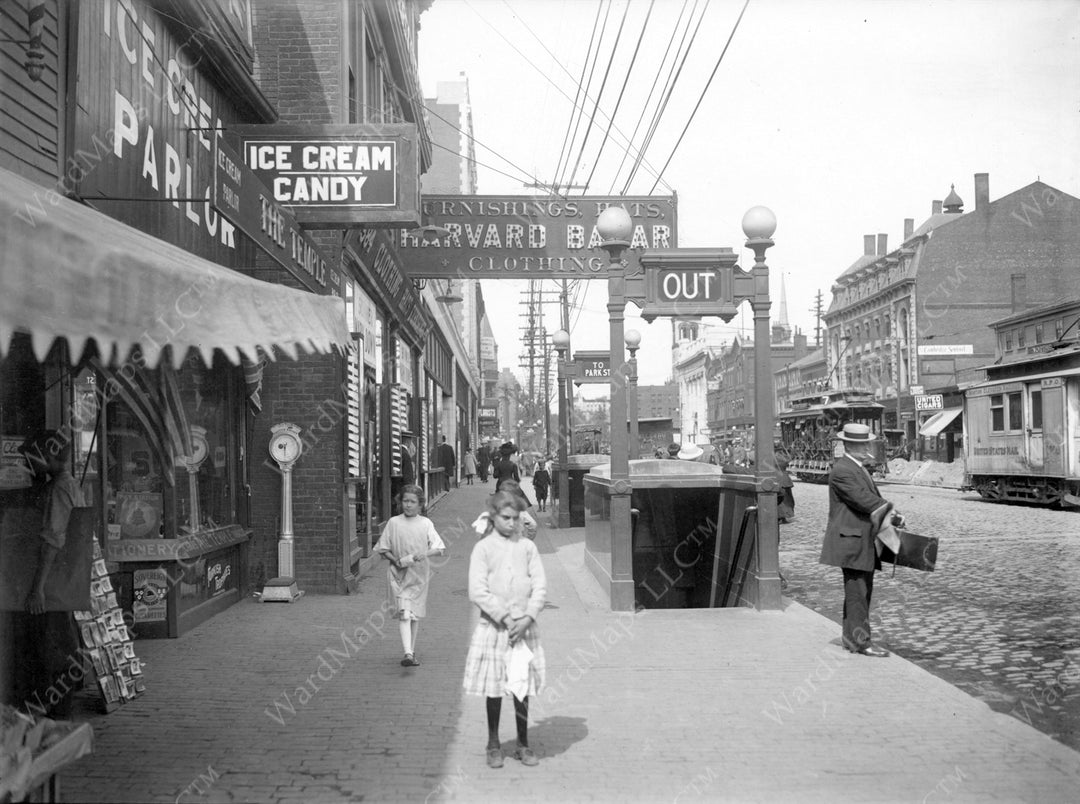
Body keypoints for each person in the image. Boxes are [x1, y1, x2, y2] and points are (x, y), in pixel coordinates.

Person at [463, 490, 547, 769]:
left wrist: (527, 617)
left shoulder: (528, 548)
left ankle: (523, 743)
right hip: (495, 628)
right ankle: (493, 743)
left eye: (516, 518)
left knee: (521, 687)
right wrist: (505, 618)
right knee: (495, 687)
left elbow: (540, 586)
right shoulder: (483, 549)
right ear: (494, 517)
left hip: (524, 628)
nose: (511, 523)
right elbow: (477, 591)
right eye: (506, 518)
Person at [10, 432, 84, 718]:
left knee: (52, 651)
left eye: (32, 457)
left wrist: (37, 588)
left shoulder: (58, 490)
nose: (28, 463)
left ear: (49, 455)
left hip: (51, 583)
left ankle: (58, 716)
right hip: (64, 581)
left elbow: (52, 541)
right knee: (59, 645)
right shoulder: (67, 484)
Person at [818, 423, 905, 658]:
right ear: (851, 445)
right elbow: (863, 500)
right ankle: (861, 642)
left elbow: (869, 499)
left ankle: (851, 639)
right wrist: (892, 513)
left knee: (859, 592)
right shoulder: (843, 470)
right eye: (863, 443)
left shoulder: (856, 467)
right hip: (852, 542)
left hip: (860, 540)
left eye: (866, 442)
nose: (867, 446)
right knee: (858, 593)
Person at [374, 485, 445, 667]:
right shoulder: (393, 523)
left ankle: (410, 653)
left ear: (420, 504)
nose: (408, 505)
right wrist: (395, 559)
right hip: (398, 574)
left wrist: (425, 554)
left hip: (418, 575)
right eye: (405, 501)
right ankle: (407, 652)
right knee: (404, 612)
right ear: (400, 502)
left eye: (413, 502)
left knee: (413, 614)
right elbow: (383, 548)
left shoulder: (425, 524)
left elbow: (439, 548)